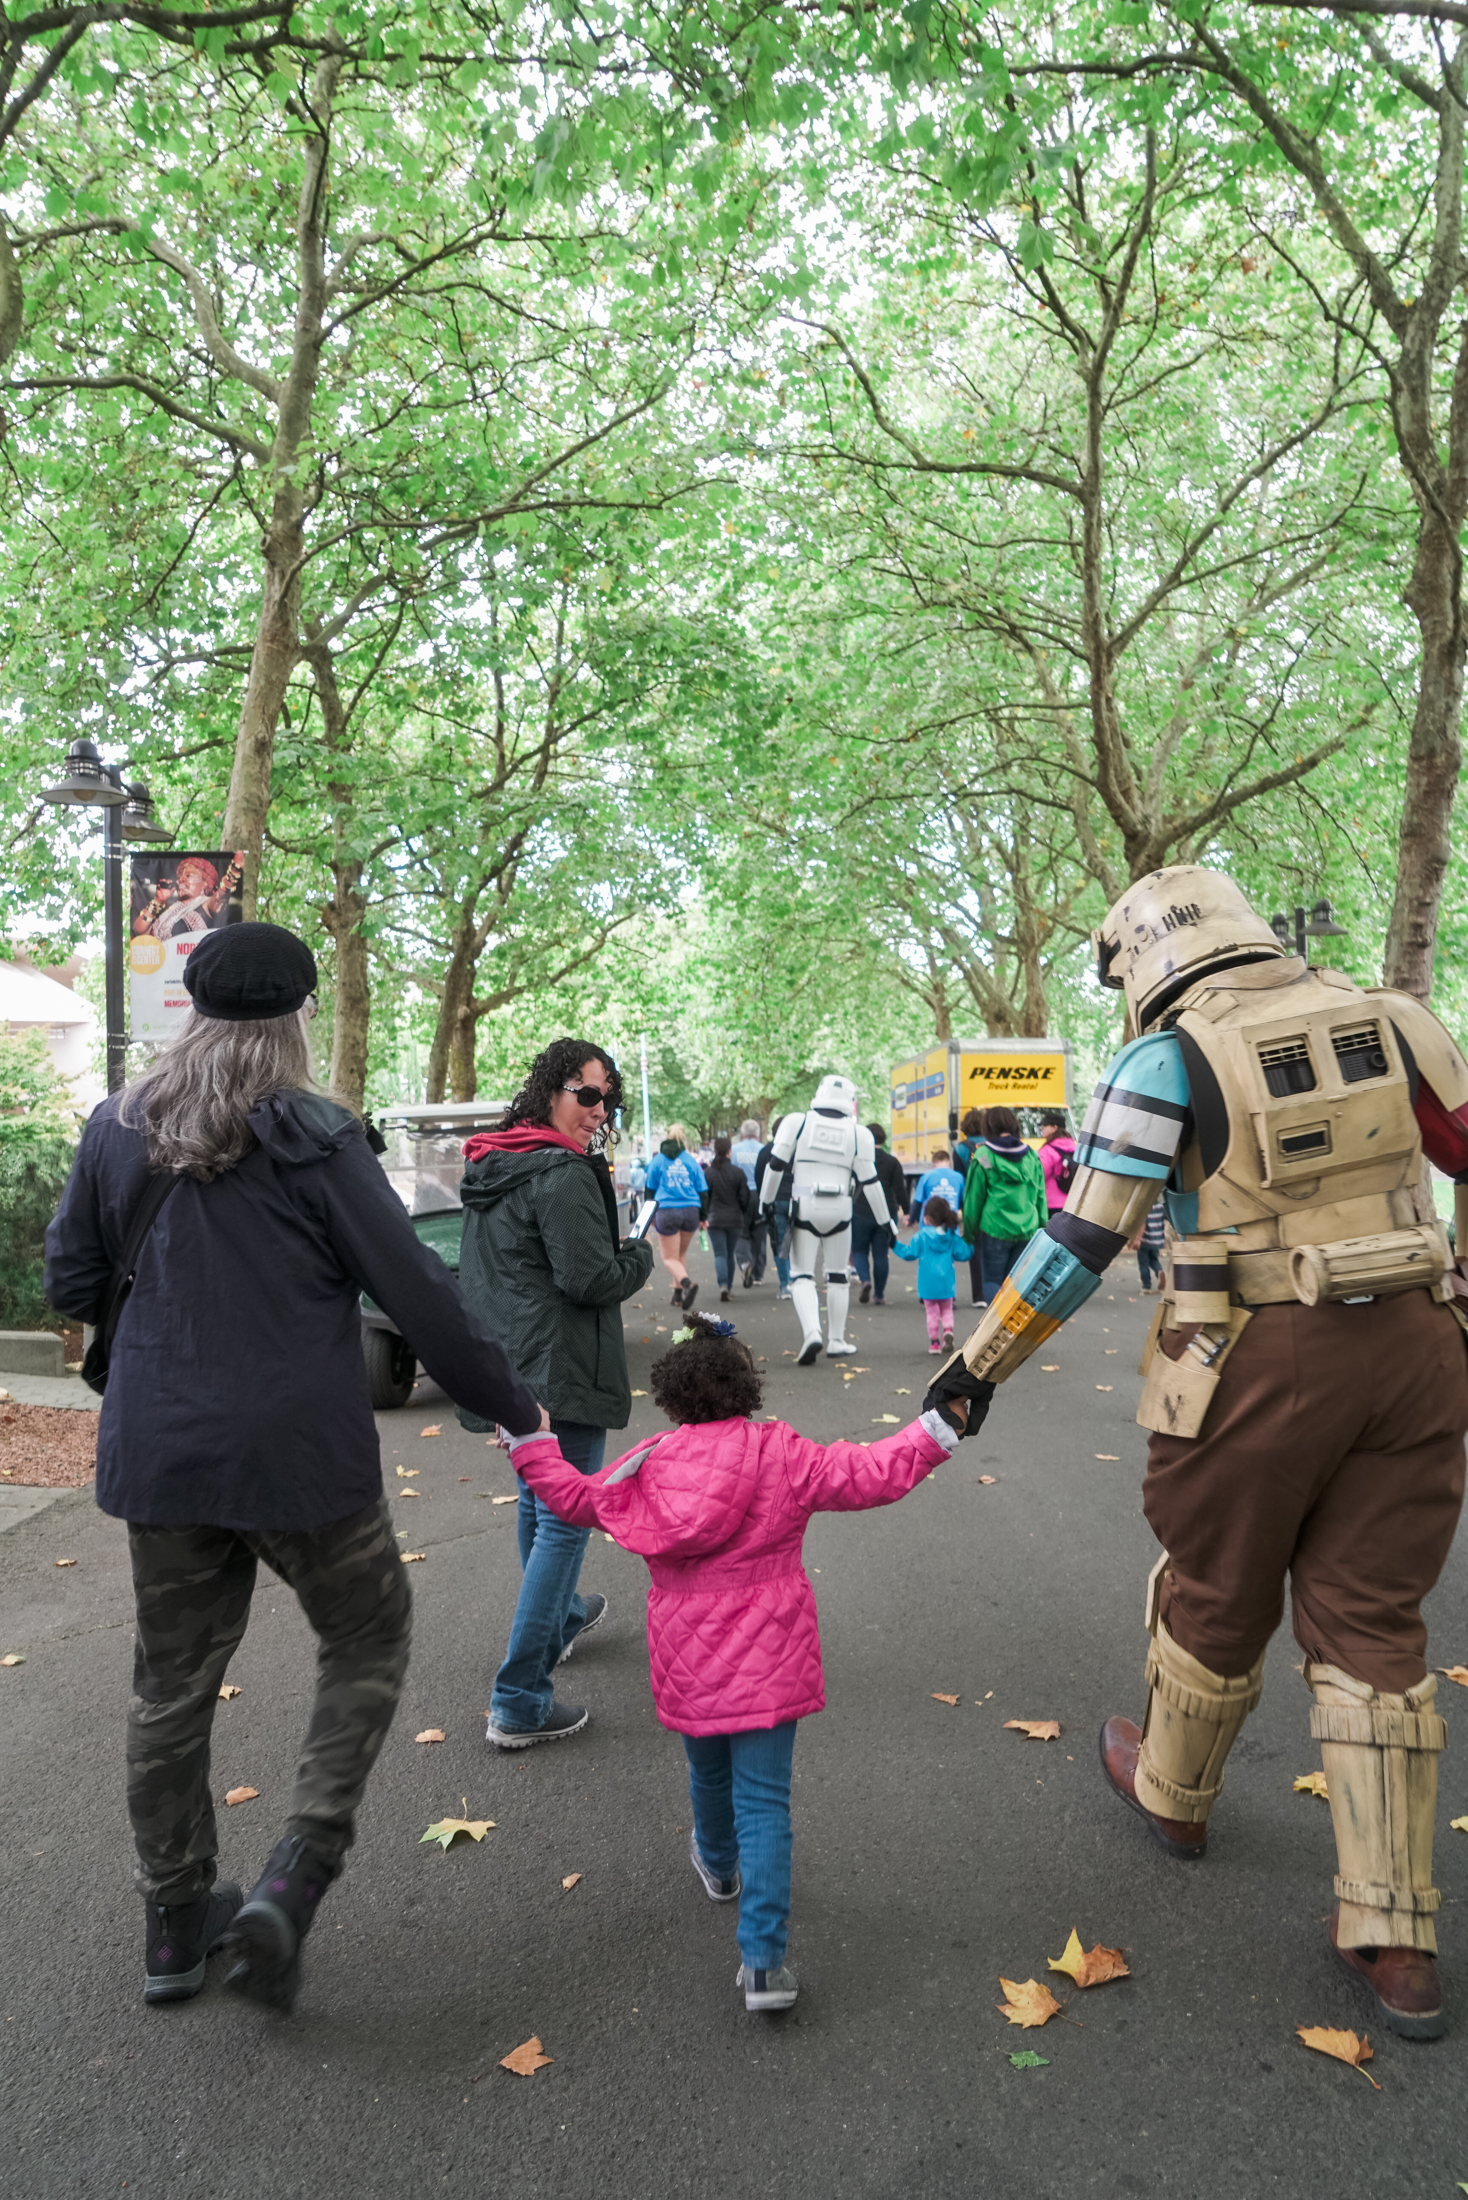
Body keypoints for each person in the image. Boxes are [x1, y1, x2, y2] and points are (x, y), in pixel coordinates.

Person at [927, 863, 1468, 2040]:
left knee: (1212, 1582)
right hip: (1422, 1348)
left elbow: (1079, 1243)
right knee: (1376, 1616)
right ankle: (1392, 1936)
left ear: (1138, 958)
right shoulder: (1398, 1017)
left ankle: (1173, 1795)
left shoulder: (1163, 1059)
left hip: (1249, 1359)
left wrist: (975, 1368)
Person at [43, 922, 542, 2014]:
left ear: (194, 1007)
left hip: (162, 1454)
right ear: (298, 1018)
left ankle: (173, 1928)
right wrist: (515, 1410)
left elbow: (73, 1279)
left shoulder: (116, 1126)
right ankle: (294, 1871)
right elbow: (416, 1292)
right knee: (366, 1630)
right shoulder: (317, 1135)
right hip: (299, 1455)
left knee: (168, 1688)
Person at [506, 1311, 980, 2012]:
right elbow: (874, 1472)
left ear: (671, 1400)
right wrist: (942, 1425)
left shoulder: (652, 1465)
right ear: (748, 1389)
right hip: (771, 1649)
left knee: (706, 1768)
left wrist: (530, 1439)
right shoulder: (783, 1453)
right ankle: (763, 1963)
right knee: (765, 1801)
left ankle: (718, 1864)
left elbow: (575, 1498)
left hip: (687, 1652)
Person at [457, 1038, 655, 1752]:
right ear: (551, 1089)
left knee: (541, 1504)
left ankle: (563, 1617)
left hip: (509, 1368)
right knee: (566, 1519)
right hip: (560, 1370)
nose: (599, 1112)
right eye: (588, 1094)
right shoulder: (563, 1172)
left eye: (609, 1100)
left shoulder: (493, 1159)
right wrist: (638, 1255)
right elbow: (589, 1278)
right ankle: (518, 1699)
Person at [761, 1076, 891, 1363]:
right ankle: (836, 1339)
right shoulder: (860, 1134)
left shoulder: (797, 1122)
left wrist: (766, 1203)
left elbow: (775, 1166)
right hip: (841, 1208)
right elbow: (871, 1183)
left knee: (801, 1275)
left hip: (805, 1205)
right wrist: (887, 1223)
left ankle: (812, 1332)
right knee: (837, 1276)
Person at [958, 1107, 1047, 1307]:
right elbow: (1040, 1195)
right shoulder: (1032, 1156)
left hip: (994, 1229)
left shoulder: (983, 1155)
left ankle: (995, 1327)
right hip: (1027, 1229)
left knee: (992, 1281)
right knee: (1017, 1284)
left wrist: (969, 1233)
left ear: (988, 1127)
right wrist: (1042, 1226)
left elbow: (974, 1198)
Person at [892, 1196, 973, 1352]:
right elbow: (963, 1254)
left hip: (927, 1282)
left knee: (932, 1313)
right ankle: (948, 1330)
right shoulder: (951, 1236)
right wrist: (971, 1245)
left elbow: (909, 1253)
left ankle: (934, 1343)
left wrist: (895, 1244)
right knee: (947, 1309)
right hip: (946, 1281)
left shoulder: (921, 1236)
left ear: (927, 1218)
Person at [642, 1124, 708, 1311]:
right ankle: (678, 1296)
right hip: (691, 1211)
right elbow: (703, 1191)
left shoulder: (657, 1161)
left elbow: (649, 1191)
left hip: (667, 1211)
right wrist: (703, 1217)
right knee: (680, 1255)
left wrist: (649, 1216)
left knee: (669, 1258)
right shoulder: (691, 1162)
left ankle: (687, 1284)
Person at [852, 1124, 907, 1306]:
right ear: (883, 1139)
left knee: (859, 1250)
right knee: (881, 1255)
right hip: (885, 1213)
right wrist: (907, 1212)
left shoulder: (856, 1161)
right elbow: (900, 1190)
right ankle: (880, 1294)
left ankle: (865, 1280)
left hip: (860, 1210)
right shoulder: (892, 1162)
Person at [706, 1134, 752, 1300]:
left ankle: (723, 1285)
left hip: (715, 1219)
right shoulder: (738, 1173)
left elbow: (705, 1197)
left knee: (719, 1254)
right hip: (734, 1219)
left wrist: (703, 1216)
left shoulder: (709, 1173)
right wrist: (741, 1211)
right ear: (729, 1152)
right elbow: (744, 1198)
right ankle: (729, 1287)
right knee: (730, 1253)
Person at [754, 1118, 793, 1300]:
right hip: (797, 1201)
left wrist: (765, 1199)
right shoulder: (798, 1149)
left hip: (775, 1202)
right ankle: (799, 1281)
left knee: (779, 1242)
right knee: (798, 1243)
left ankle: (785, 1285)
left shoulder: (767, 1151)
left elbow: (759, 1178)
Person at [730, 1118, 766, 1286]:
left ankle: (745, 1263)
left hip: (741, 1196)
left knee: (742, 1233)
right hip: (761, 1195)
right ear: (758, 1136)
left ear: (742, 1135)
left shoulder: (734, 1150)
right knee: (759, 1234)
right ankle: (758, 1273)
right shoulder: (763, 1150)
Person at [907, 1147, 966, 1225]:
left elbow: (917, 1201)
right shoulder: (959, 1177)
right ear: (950, 1162)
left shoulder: (925, 1177)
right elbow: (963, 1201)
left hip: (929, 1225)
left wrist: (911, 1220)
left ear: (933, 1163)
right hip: (951, 1224)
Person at [1037, 1108, 1077, 1214]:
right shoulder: (1074, 1147)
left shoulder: (1047, 1150)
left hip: (1051, 1204)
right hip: (1071, 1203)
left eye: (1045, 1125)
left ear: (1054, 1127)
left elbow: (1039, 1175)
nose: (1042, 1128)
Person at [1130, 1194, 1166, 1292]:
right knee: (1154, 1259)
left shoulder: (1144, 1207)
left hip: (1145, 1241)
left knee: (1143, 1263)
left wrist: (1137, 1239)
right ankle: (1159, 1271)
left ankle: (1146, 1286)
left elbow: (1142, 1223)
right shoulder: (1160, 1206)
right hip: (1157, 1239)